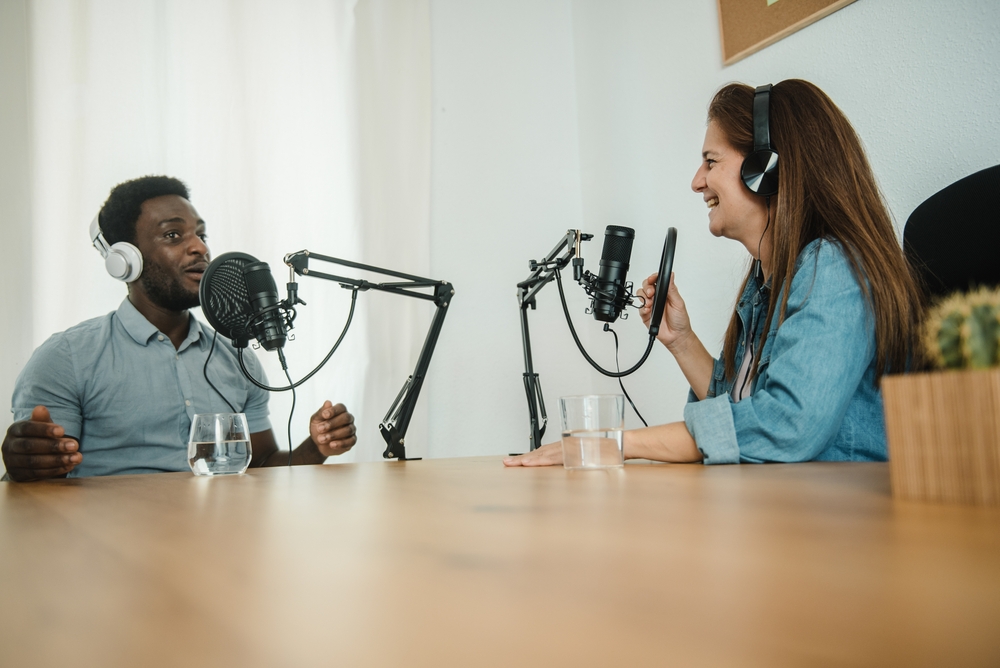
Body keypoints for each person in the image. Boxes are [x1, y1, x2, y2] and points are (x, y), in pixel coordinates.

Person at [505, 79, 922, 467]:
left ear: (767, 168)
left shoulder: (833, 268)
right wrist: (682, 342)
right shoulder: (764, 286)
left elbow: (786, 426)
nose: (696, 182)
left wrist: (614, 443)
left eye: (710, 161)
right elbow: (738, 417)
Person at [3, 176, 357, 481]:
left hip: (221, 543)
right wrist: (25, 465)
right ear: (125, 260)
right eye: (173, 235)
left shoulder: (238, 359)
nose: (200, 248)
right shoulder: (66, 359)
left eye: (201, 234)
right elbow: (40, 475)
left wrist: (316, 447)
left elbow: (261, 467)